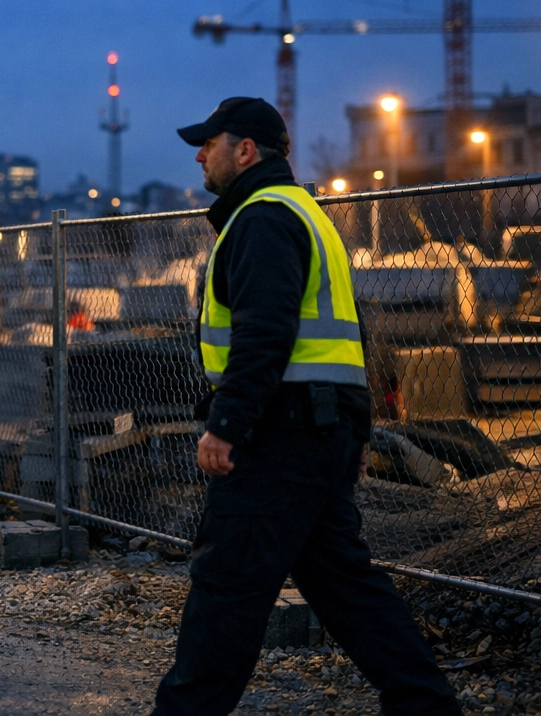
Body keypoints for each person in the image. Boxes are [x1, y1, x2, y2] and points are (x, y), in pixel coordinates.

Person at [152, 97, 458, 716]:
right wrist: (354, 433)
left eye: (210, 142)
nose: (199, 154)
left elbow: (266, 333)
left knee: (228, 588)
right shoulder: (306, 215)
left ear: (245, 151)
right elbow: (351, 337)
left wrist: (226, 425)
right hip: (317, 427)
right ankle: (426, 706)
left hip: (278, 433)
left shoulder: (262, 218)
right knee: (346, 586)